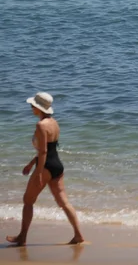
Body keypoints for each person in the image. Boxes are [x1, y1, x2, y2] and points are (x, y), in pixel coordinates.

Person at [6, 92, 84, 246]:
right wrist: (30, 163)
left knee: (28, 201)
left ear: (38, 107)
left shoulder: (41, 125)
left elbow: (43, 152)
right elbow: (49, 148)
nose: (31, 107)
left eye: (32, 105)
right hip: (57, 166)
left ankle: (22, 237)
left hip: (46, 167)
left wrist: (38, 173)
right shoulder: (54, 122)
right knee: (64, 202)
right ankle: (78, 235)